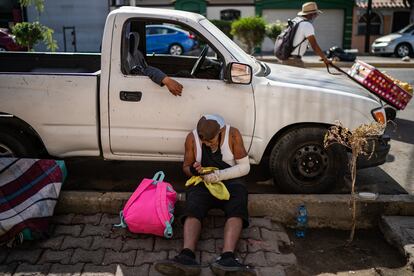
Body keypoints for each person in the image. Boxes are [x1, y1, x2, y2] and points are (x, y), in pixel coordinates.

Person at [154, 114, 256, 276]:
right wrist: (194, 170)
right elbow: (186, 167)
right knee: (193, 204)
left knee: (238, 203)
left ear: (220, 131)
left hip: (230, 179)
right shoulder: (192, 138)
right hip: (204, 180)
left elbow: (244, 168)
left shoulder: (232, 134)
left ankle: (227, 258)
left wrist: (219, 176)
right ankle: (186, 256)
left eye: (211, 140)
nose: (207, 144)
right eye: (204, 141)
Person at [126, 32, 183, 96]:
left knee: (183, 73)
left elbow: (146, 68)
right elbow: (144, 70)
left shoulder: (138, 53)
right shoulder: (127, 57)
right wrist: (166, 80)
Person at [281, 2, 331, 68]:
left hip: (286, 58)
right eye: (316, 14)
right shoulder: (307, 25)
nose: (316, 16)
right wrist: (325, 59)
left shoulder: (296, 21)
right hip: (294, 61)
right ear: (311, 14)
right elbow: (314, 46)